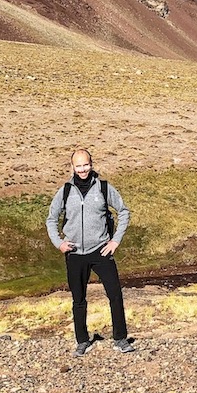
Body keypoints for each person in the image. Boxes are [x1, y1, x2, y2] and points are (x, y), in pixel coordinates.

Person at [46, 148, 135, 356]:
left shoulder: (104, 188)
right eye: (79, 166)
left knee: (115, 295)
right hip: (75, 253)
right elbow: (51, 219)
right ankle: (82, 340)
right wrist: (59, 243)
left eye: (86, 165)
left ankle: (120, 339)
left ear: (91, 164)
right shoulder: (65, 191)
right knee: (78, 299)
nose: (83, 169)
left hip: (101, 251)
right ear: (73, 167)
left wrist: (115, 241)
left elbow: (123, 212)